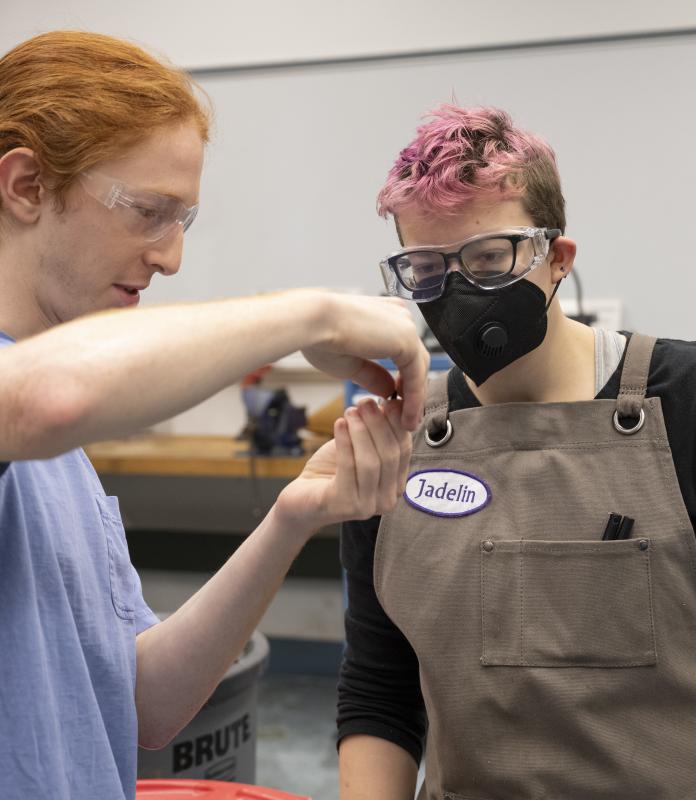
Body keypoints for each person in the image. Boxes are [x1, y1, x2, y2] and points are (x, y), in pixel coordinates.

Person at [337, 104, 696, 799]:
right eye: (426, 268)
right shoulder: (399, 436)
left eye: (488, 258)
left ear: (557, 261)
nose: (457, 291)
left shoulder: (694, 400)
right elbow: (379, 690)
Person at [0, 31, 428, 800]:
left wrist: (293, 516)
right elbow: (41, 397)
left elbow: (143, 703)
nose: (170, 258)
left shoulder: (63, 457)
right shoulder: (35, 407)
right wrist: (316, 316)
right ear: (27, 185)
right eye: (147, 212)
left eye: (184, 221)